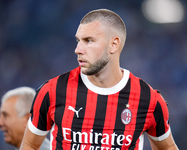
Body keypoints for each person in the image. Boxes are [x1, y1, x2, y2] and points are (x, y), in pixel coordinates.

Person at [20, 9, 178, 150]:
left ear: (113, 44)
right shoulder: (52, 90)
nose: (78, 49)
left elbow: (167, 146)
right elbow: (30, 144)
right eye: (78, 40)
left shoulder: (149, 99)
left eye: (88, 40)